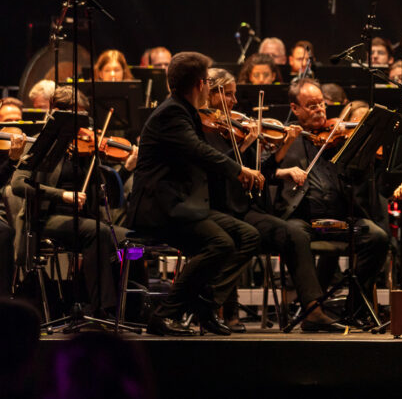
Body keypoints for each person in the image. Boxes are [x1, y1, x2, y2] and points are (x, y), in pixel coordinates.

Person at [127, 52, 262, 336]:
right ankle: (165, 314)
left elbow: (202, 159)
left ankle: (206, 306)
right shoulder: (172, 113)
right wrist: (239, 170)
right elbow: (199, 152)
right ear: (201, 84)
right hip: (159, 208)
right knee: (221, 244)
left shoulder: (183, 111)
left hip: (181, 206)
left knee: (248, 235)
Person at [202, 69, 347, 333]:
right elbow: (216, 169)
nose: (234, 102)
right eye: (229, 95)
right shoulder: (203, 128)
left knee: (293, 233)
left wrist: (278, 146)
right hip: (217, 207)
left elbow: (260, 173)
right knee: (243, 235)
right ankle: (217, 306)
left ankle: (313, 311)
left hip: (242, 207)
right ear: (212, 95)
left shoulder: (231, 129)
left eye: (234, 95)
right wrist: (247, 148)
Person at [267, 79, 389, 326]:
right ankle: (312, 311)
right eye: (310, 105)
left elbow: (361, 179)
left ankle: (352, 309)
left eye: (321, 103)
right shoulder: (285, 138)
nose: (319, 110)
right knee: (294, 233)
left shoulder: (338, 136)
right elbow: (265, 172)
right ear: (296, 108)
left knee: (377, 236)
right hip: (305, 221)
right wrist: (284, 169)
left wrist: (362, 153)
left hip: (341, 220)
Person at [10, 86, 129, 317]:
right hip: (46, 218)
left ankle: (132, 310)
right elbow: (17, 184)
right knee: (99, 233)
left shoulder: (84, 149)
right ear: (59, 116)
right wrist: (61, 195)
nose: (84, 128)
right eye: (77, 119)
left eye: (85, 119)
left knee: (128, 240)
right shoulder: (43, 146)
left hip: (83, 218)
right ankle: (100, 308)